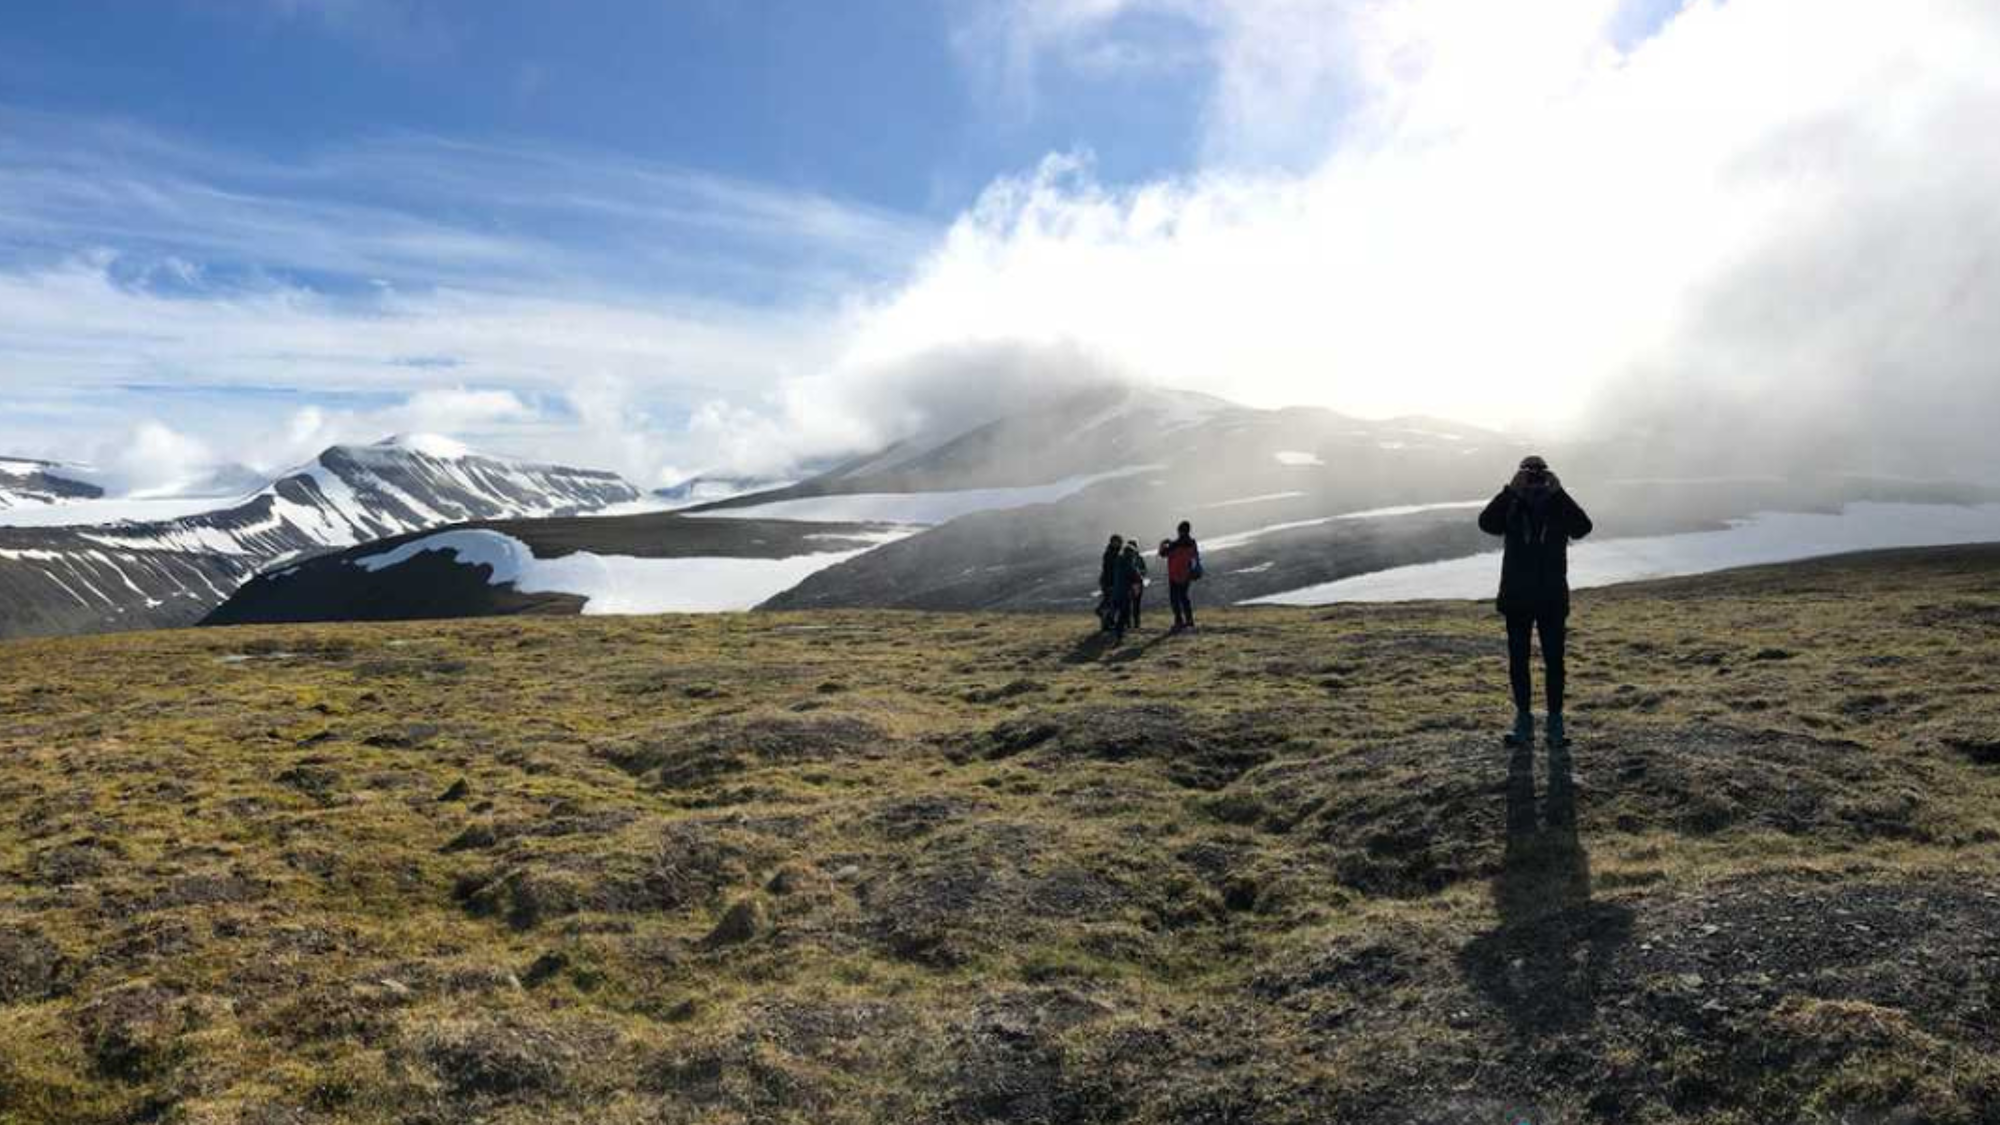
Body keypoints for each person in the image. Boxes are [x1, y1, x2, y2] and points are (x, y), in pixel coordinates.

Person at [1477, 455, 1592, 748]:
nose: (1535, 479)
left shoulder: (1557, 503)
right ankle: (1523, 722)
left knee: (1555, 662)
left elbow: (1583, 527)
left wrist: (1559, 491)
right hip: (1519, 598)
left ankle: (1555, 725)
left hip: (1550, 598)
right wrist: (1509, 490)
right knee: (1519, 661)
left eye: (1539, 473)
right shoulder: (1512, 503)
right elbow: (1486, 523)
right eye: (1528, 473)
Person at [1158, 520, 1201, 631]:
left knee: (1175, 599)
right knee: (1184, 597)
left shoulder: (1174, 544)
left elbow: (1162, 553)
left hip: (1174, 575)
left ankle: (1179, 621)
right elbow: (1195, 557)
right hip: (1187, 574)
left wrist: (1163, 544)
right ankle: (1189, 620)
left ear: (1179, 531)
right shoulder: (1192, 543)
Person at [1097, 534, 1125, 632]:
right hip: (1110, 582)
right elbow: (1108, 570)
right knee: (1110, 602)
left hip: (1111, 581)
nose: (1118, 544)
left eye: (1119, 542)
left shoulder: (1114, 552)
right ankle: (1105, 620)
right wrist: (1110, 583)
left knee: (1111, 602)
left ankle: (1107, 623)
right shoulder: (1111, 554)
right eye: (1116, 542)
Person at [1122, 539, 1149, 629]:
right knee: (1135, 605)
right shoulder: (1139, 558)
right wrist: (1140, 573)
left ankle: (1130, 624)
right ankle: (1135, 624)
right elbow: (1144, 570)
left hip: (1130, 584)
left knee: (1129, 604)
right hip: (1137, 584)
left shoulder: (1125, 558)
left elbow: (1144, 570)